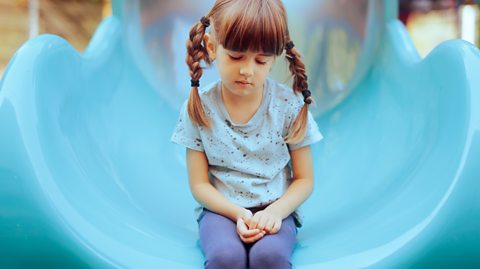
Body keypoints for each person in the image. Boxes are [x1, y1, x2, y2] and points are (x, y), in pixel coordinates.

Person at [171, 0, 323, 268]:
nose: (247, 70)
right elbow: (199, 185)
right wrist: (237, 213)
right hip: (221, 211)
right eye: (236, 56)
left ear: (274, 58)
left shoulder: (288, 106)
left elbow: (304, 179)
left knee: (269, 257)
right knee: (225, 258)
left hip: (275, 208)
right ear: (211, 46)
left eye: (261, 60)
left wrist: (275, 212)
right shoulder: (199, 106)